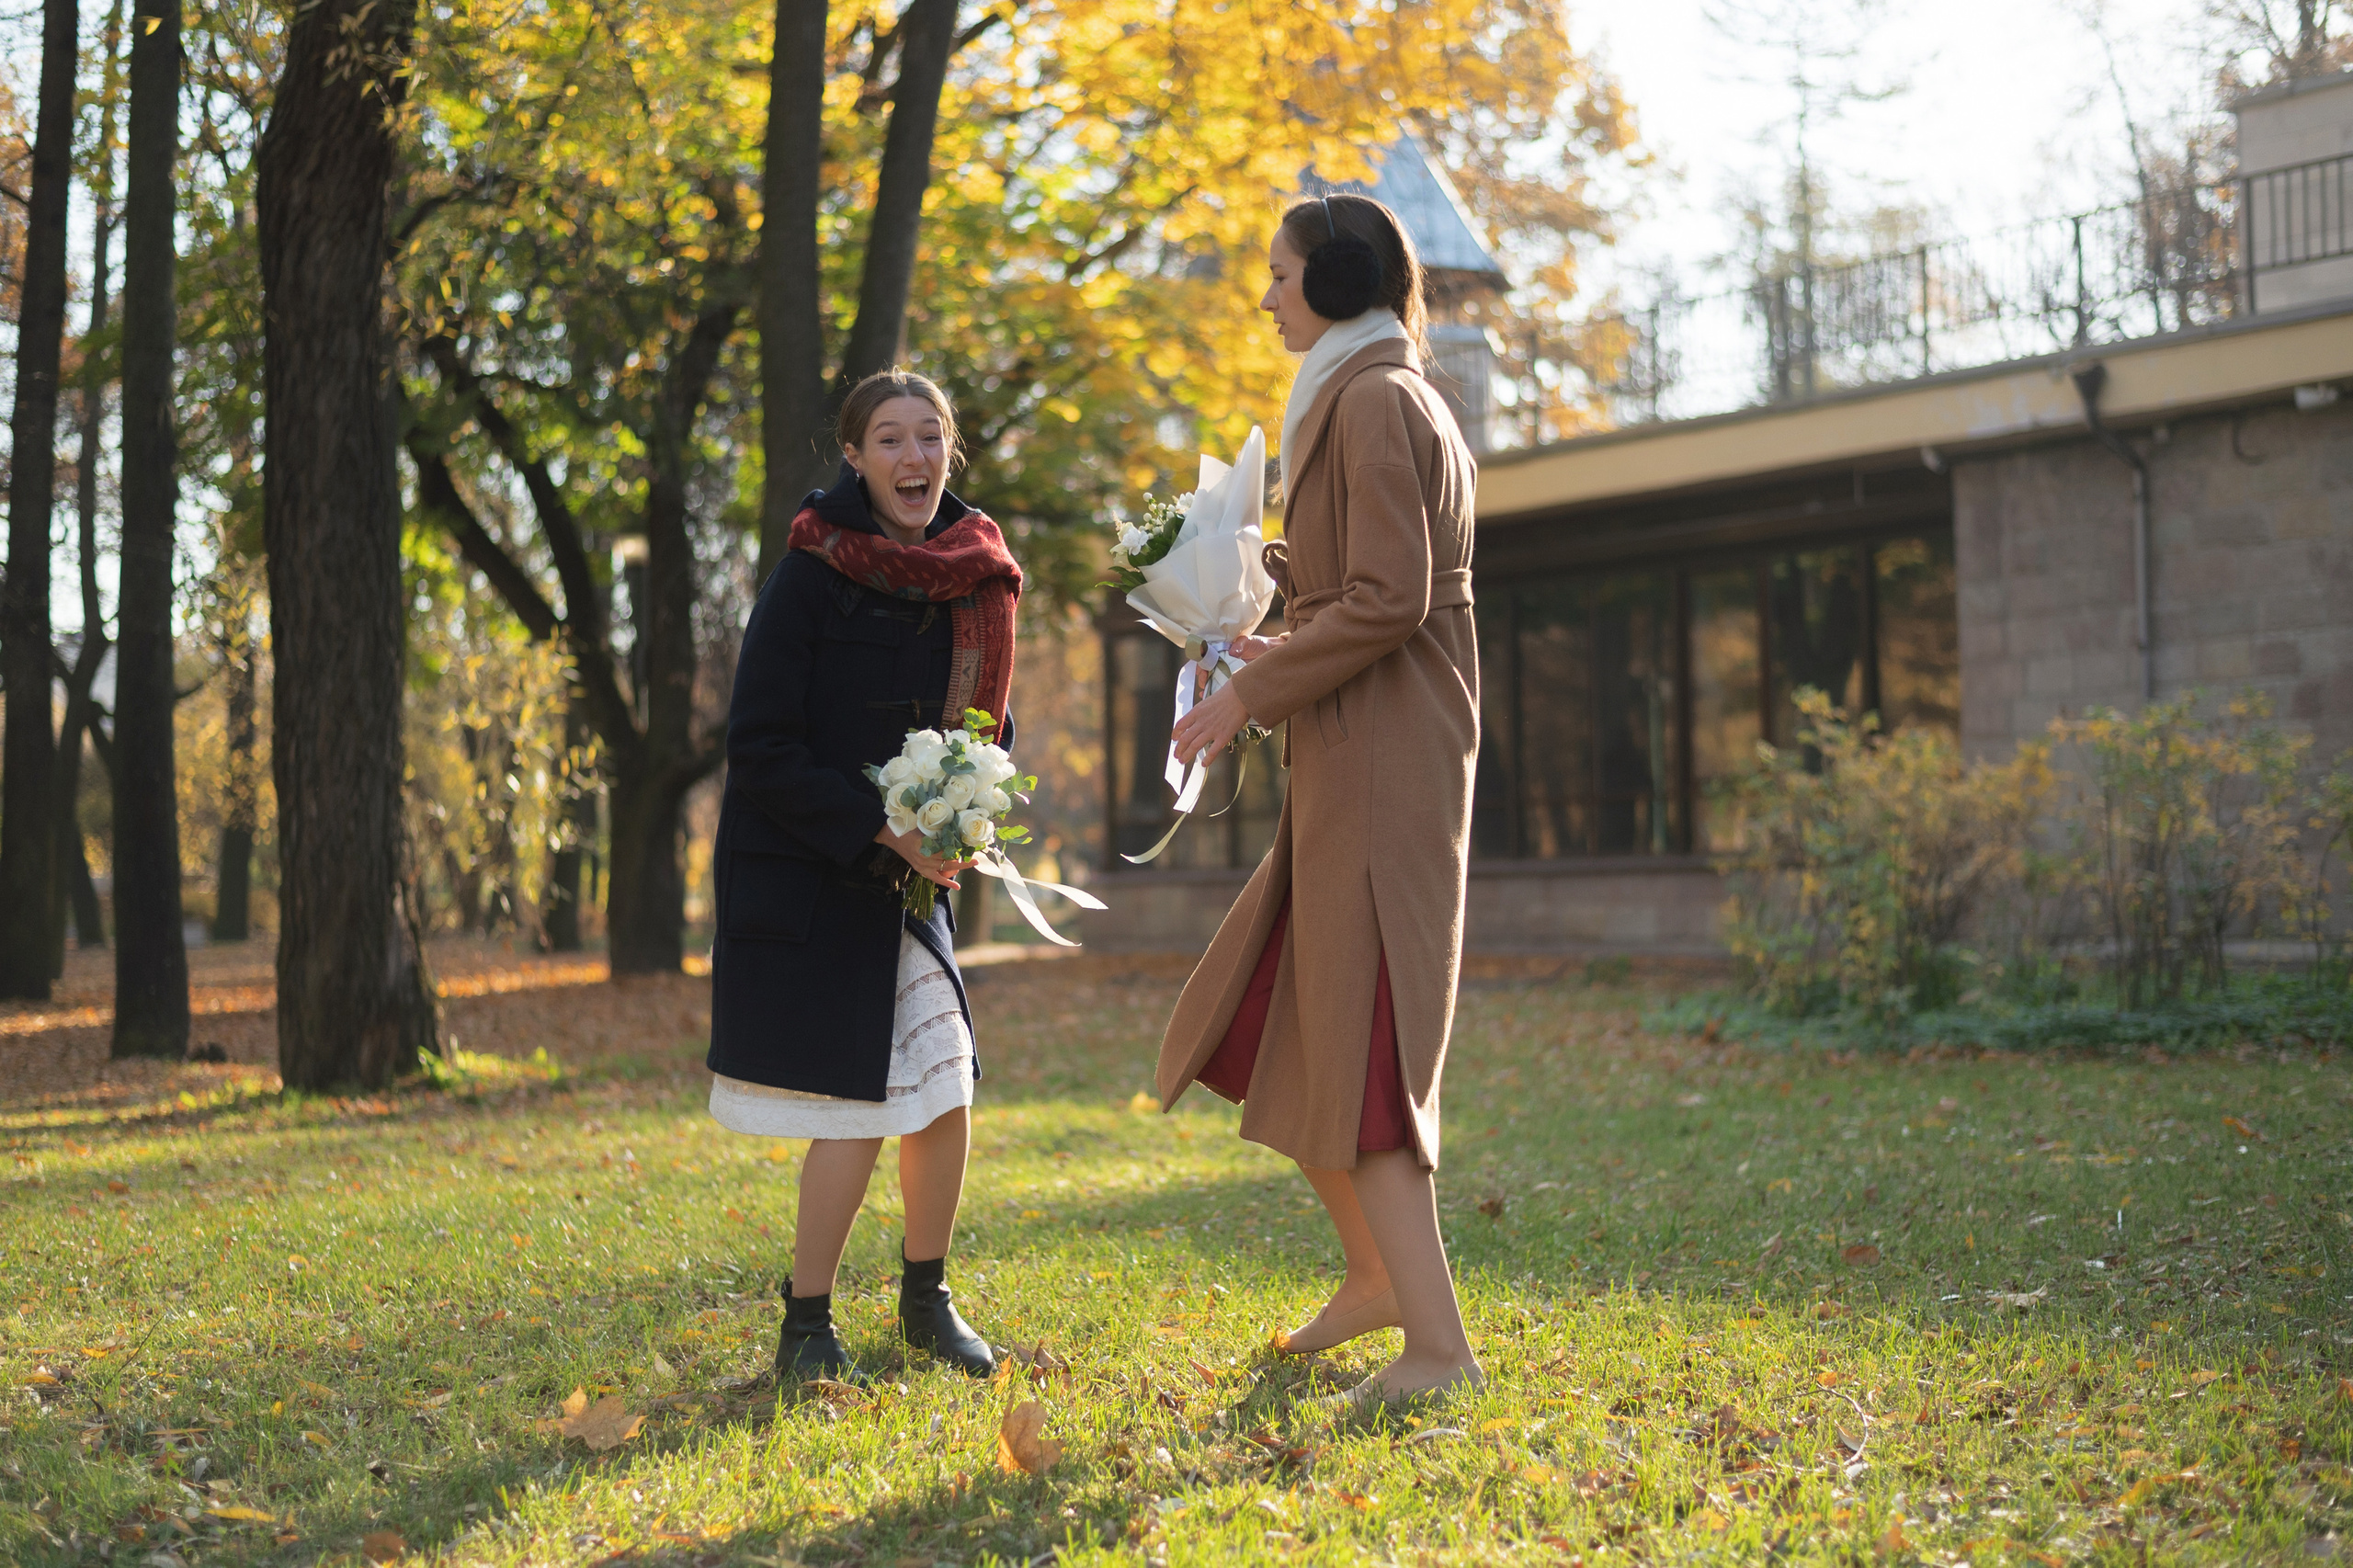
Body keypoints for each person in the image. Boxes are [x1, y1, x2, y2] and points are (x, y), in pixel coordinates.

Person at [1154, 191, 1483, 1407]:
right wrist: (1237, 577)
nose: (1267, 293)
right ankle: (1373, 1275)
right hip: (1359, 752)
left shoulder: (1381, 399)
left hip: (1388, 757)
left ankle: (1440, 1351)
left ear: (1335, 283)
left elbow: (1393, 596)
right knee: (1293, 1018)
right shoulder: (1362, 393)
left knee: (1369, 1046)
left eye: (1281, 273)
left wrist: (1252, 692)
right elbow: (1357, 574)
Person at [706, 369, 1022, 1383]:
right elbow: (757, 744)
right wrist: (883, 827)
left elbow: (986, 721)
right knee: (858, 1104)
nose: (914, 457)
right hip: (816, 869)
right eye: (890, 438)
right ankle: (806, 1323)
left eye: (931, 436)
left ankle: (926, 1298)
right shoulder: (810, 572)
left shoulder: (974, 575)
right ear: (853, 455)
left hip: (909, 881)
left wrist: (965, 800)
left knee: (945, 1083)